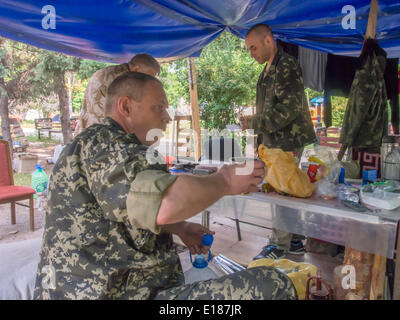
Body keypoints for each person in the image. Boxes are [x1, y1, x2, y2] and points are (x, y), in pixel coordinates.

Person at [34, 72, 297, 300]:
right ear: (125, 107)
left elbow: (119, 210)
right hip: (115, 292)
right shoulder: (111, 146)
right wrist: (225, 180)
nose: (167, 118)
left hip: (113, 288)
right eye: (158, 108)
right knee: (273, 284)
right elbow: (163, 203)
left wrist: (178, 227)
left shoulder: (93, 144)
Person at [241, 24, 316, 260]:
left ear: (268, 41)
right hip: (275, 140)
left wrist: (256, 122)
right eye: (249, 50)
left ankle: (278, 244)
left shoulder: (287, 65)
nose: (252, 53)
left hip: (288, 138)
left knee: (283, 190)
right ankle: (293, 240)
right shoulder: (268, 70)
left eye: (253, 48)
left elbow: (289, 108)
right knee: (284, 189)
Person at [74, 53, 160, 135]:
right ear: (136, 69)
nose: (148, 81)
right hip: (102, 135)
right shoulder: (124, 80)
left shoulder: (111, 71)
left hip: (88, 131)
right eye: (147, 77)